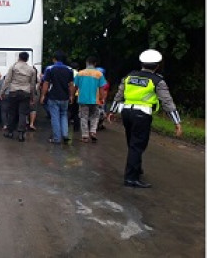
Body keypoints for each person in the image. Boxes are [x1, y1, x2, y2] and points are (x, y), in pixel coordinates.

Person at [108, 49, 182, 188]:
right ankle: (131, 178)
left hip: (126, 112)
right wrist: (176, 122)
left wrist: (112, 111)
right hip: (141, 115)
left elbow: (119, 95)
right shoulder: (157, 80)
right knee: (137, 145)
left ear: (141, 63)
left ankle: (136, 168)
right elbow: (167, 102)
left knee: (132, 142)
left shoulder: (129, 76)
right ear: (157, 66)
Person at [40, 50, 74, 144]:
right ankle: (65, 135)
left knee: (55, 117)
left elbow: (46, 83)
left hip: (53, 96)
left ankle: (56, 138)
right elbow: (71, 84)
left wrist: (43, 95)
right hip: (65, 97)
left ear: (54, 59)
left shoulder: (50, 69)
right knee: (63, 115)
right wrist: (71, 96)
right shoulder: (69, 69)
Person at [1, 52, 36, 142]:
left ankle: (10, 132)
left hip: (14, 92)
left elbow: (7, 80)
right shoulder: (31, 70)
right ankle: (21, 134)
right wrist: (32, 97)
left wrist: (2, 91)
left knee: (12, 112)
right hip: (25, 92)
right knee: (23, 113)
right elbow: (32, 84)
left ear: (19, 58)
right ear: (27, 59)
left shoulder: (13, 67)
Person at [74, 57, 107, 143]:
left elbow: (75, 86)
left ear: (86, 63)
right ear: (95, 64)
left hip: (83, 99)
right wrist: (102, 98)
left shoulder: (80, 73)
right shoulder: (99, 74)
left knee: (83, 117)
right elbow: (102, 88)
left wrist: (72, 96)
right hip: (95, 100)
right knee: (95, 116)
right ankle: (93, 132)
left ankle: (85, 136)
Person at [69, 62, 80, 131]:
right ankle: (76, 128)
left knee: (68, 111)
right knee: (76, 112)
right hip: (76, 94)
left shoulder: (68, 72)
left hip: (68, 94)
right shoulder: (78, 74)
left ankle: (66, 126)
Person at [28, 66, 40, 131]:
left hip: (27, 93)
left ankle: (26, 122)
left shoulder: (27, 77)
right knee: (33, 109)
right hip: (35, 94)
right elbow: (37, 87)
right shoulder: (37, 78)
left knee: (25, 108)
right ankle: (31, 124)